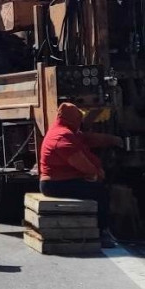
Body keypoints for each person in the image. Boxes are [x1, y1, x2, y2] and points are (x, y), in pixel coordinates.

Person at [40, 101, 120, 248]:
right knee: (100, 192)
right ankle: (103, 232)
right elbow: (80, 163)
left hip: (61, 181)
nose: (80, 122)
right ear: (73, 119)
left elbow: (87, 138)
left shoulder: (66, 131)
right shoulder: (62, 137)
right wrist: (96, 172)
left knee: (96, 188)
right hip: (56, 184)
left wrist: (112, 140)